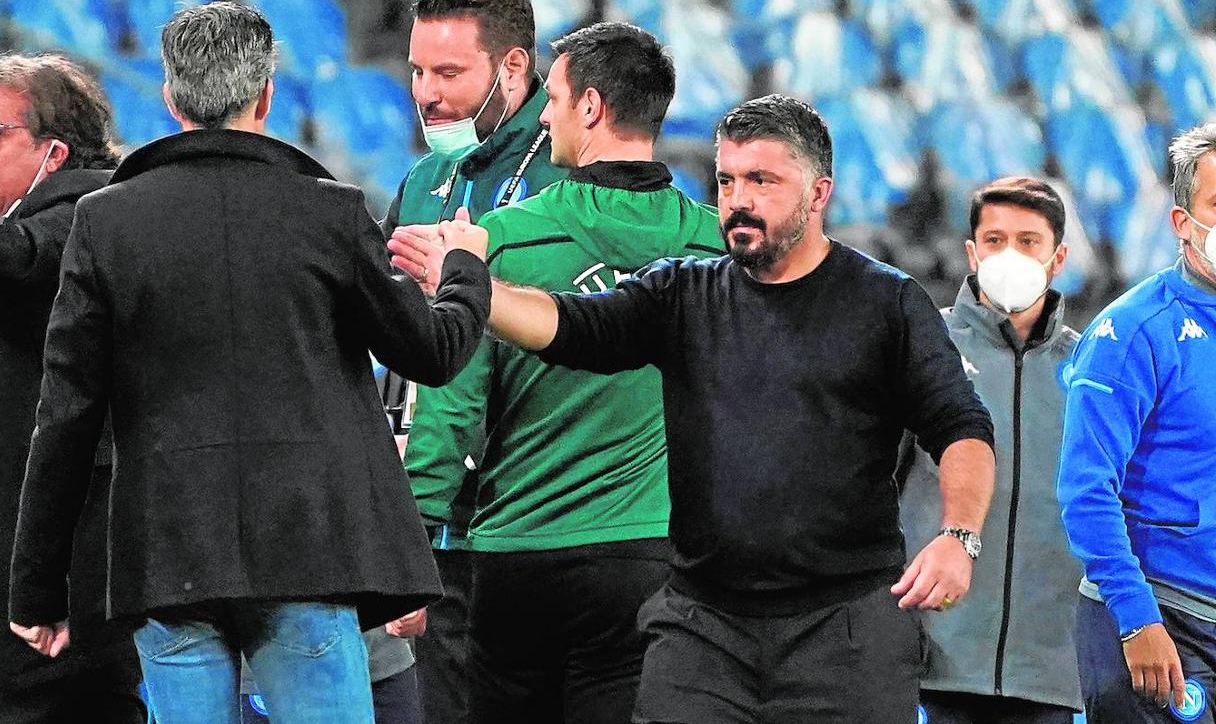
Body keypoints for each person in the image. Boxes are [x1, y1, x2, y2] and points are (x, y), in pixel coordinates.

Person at [390, 94, 996, 724]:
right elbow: (569, 326)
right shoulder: (682, 291)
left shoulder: (886, 303)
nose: (739, 199)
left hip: (844, 630)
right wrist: (472, 286)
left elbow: (960, 427)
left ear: (819, 194)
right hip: (704, 630)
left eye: (763, 180)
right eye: (727, 180)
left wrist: (959, 536)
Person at [5, 1, 491, 724]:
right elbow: (433, 352)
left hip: (167, 561)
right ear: (265, 95)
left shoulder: (105, 222)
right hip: (309, 552)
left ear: (170, 99)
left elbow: (67, 416)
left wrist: (38, 589)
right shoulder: (327, 212)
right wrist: (464, 271)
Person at [403, 21, 723, 723]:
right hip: (653, 558)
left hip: (520, 556)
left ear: (590, 108)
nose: (543, 116)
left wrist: (413, 535)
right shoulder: (716, 247)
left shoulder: (505, 239)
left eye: (552, 98)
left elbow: (451, 399)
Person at [383, 0, 568, 724]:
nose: (427, 92)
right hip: (441, 518)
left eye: (450, 72)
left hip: (542, 511)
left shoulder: (569, 172)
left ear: (514, 67)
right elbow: (397, 346)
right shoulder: (426, 177)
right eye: (418, 71)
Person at [0, 53, 142, 723]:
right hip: (42, 557)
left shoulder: (90, 216)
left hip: (64, 566)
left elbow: (23, 263)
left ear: (55, 150)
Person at [900, 176, 1082, 723]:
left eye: (1029, 241)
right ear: (972, 253)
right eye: (996, 239)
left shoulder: (1092, 367)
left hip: (1051, 671)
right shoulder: (922, 345)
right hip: (930, 659)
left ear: (1059, 257)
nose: (1011, 255)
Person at [1058, 124, 1216, 722]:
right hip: (1159, 620)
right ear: (1182, 223)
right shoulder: (1131, 334)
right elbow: (1085, 489)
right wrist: (1136, 617)